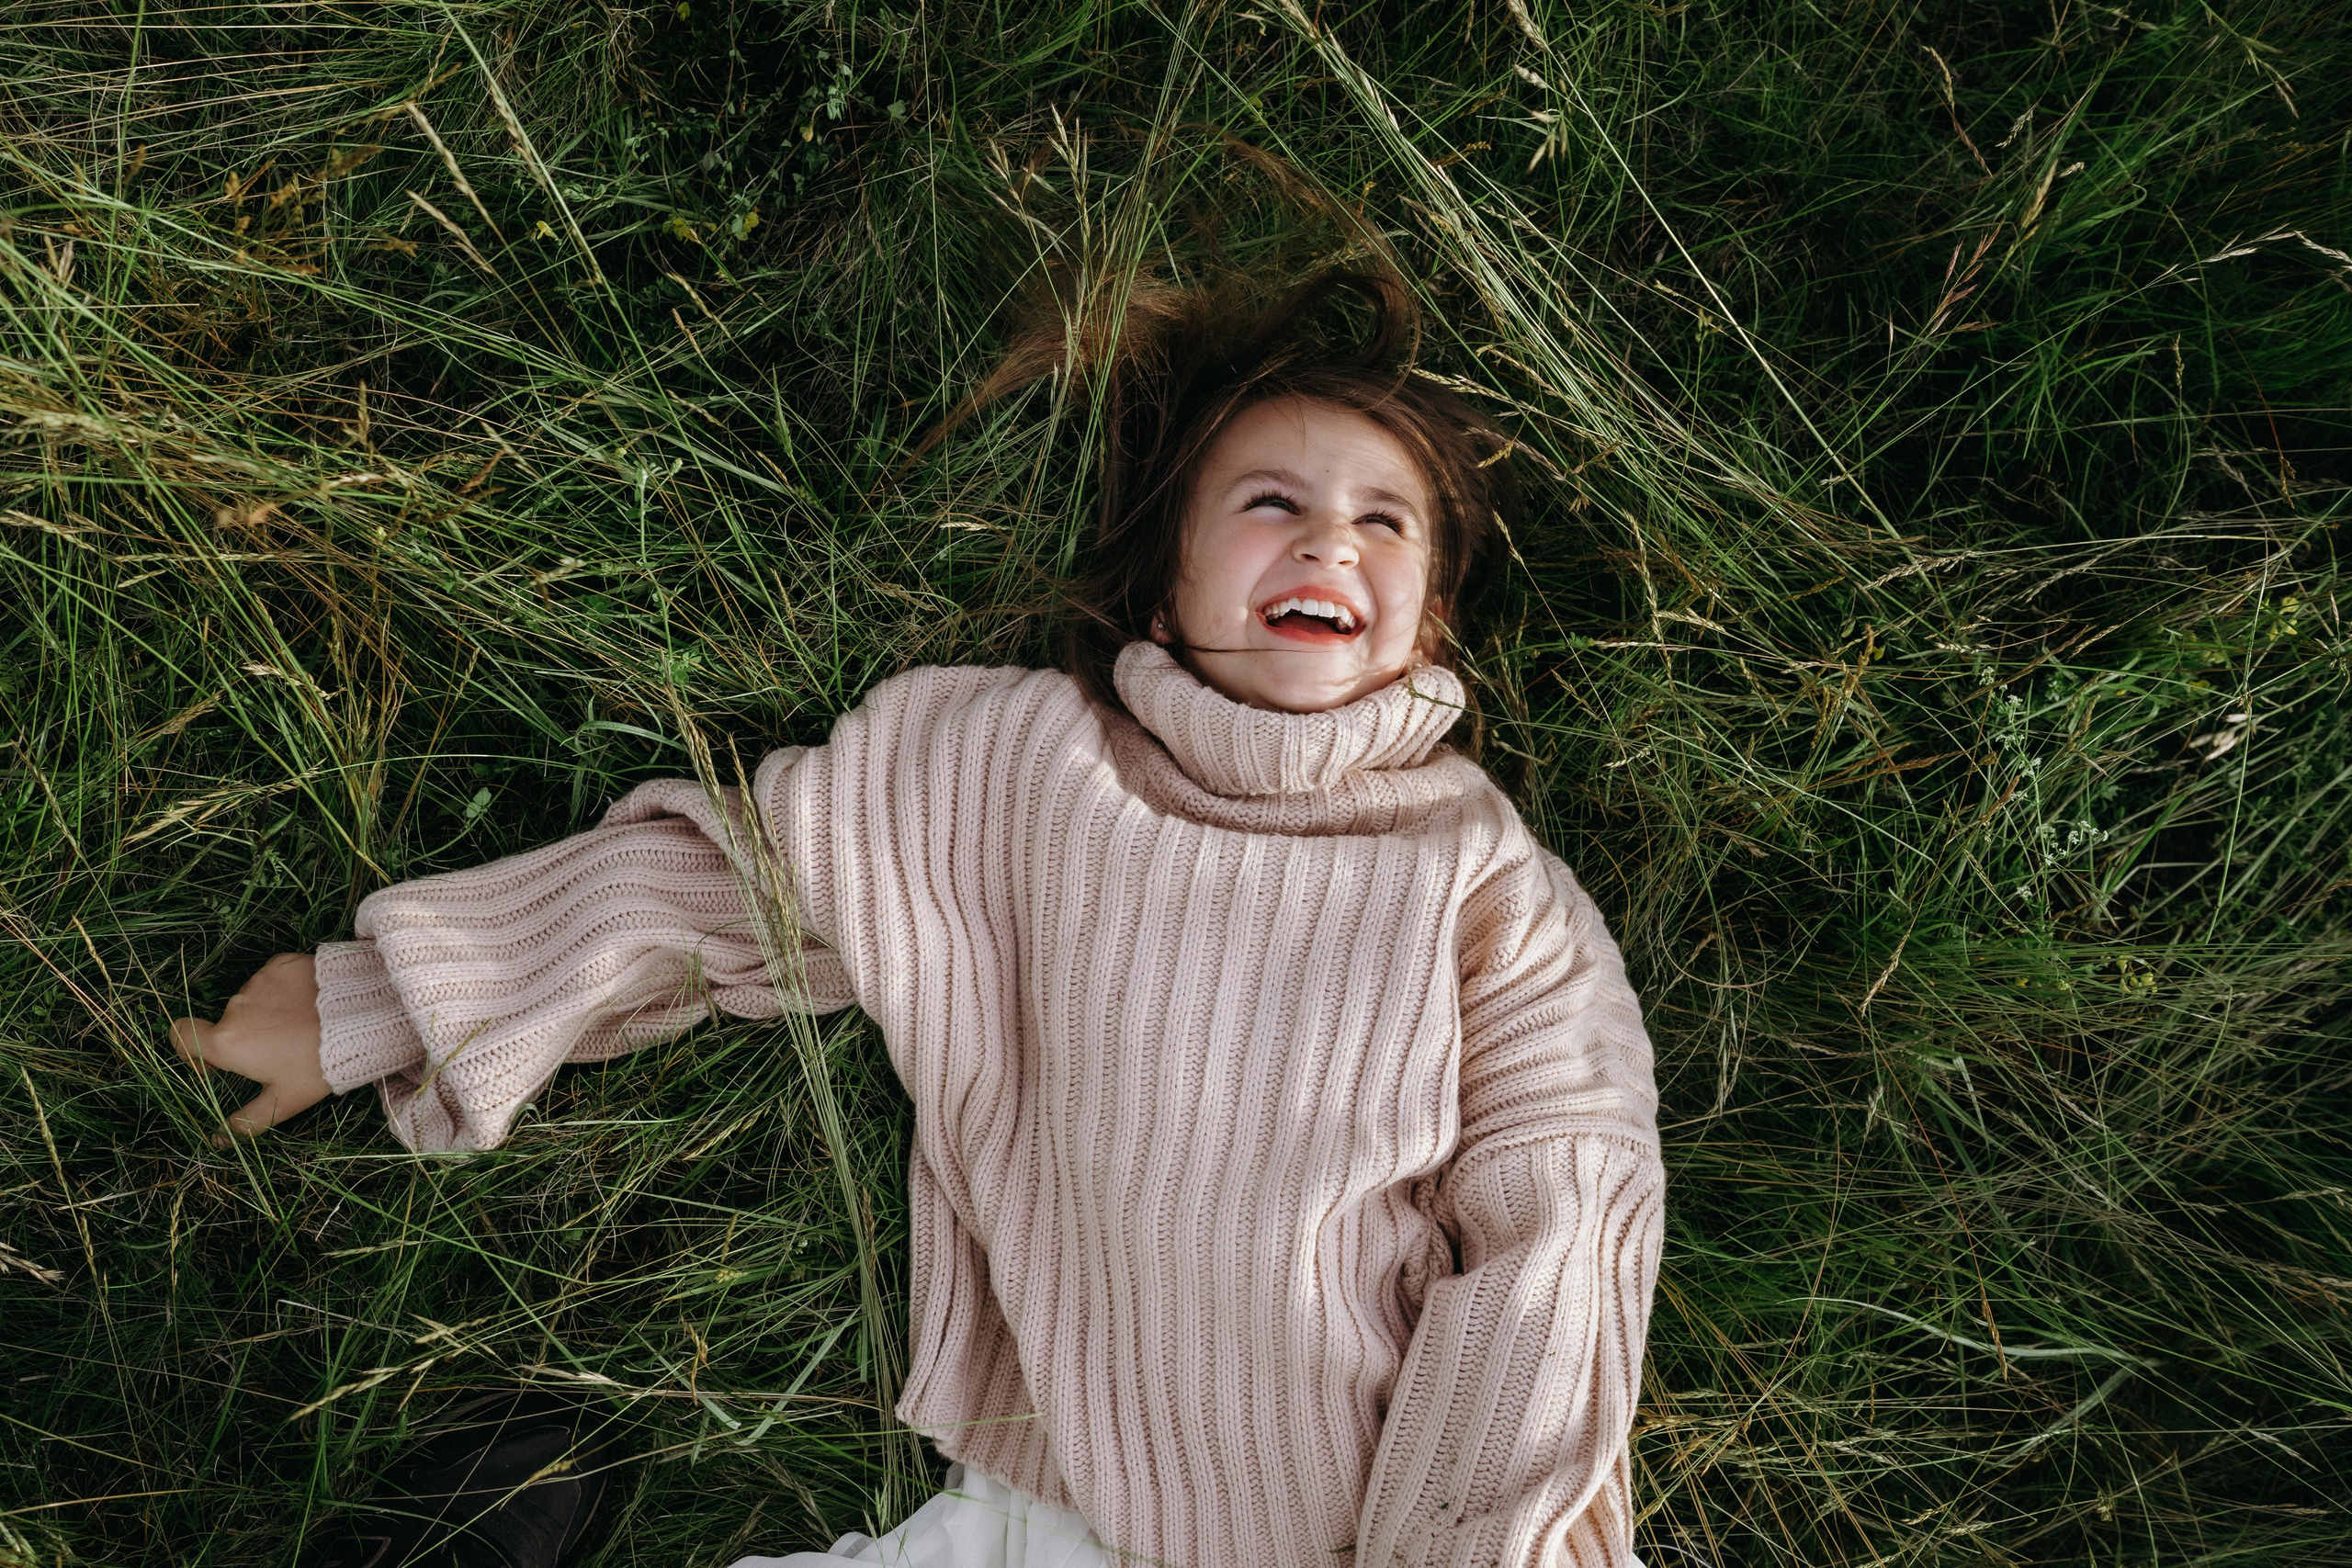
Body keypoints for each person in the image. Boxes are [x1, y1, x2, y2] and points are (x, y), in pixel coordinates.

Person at [172, 269, 1665, 1568]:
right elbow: (743, 890)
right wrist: (390, 1000)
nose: (1329, 543)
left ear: (1436, 620)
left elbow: (1559, 1238)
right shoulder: (1019, 772)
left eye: (1384, 523)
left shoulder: (1489, 888)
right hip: (1050, 1523)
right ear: (1160, 590)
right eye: (1271, 503)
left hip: (1363, 1528)